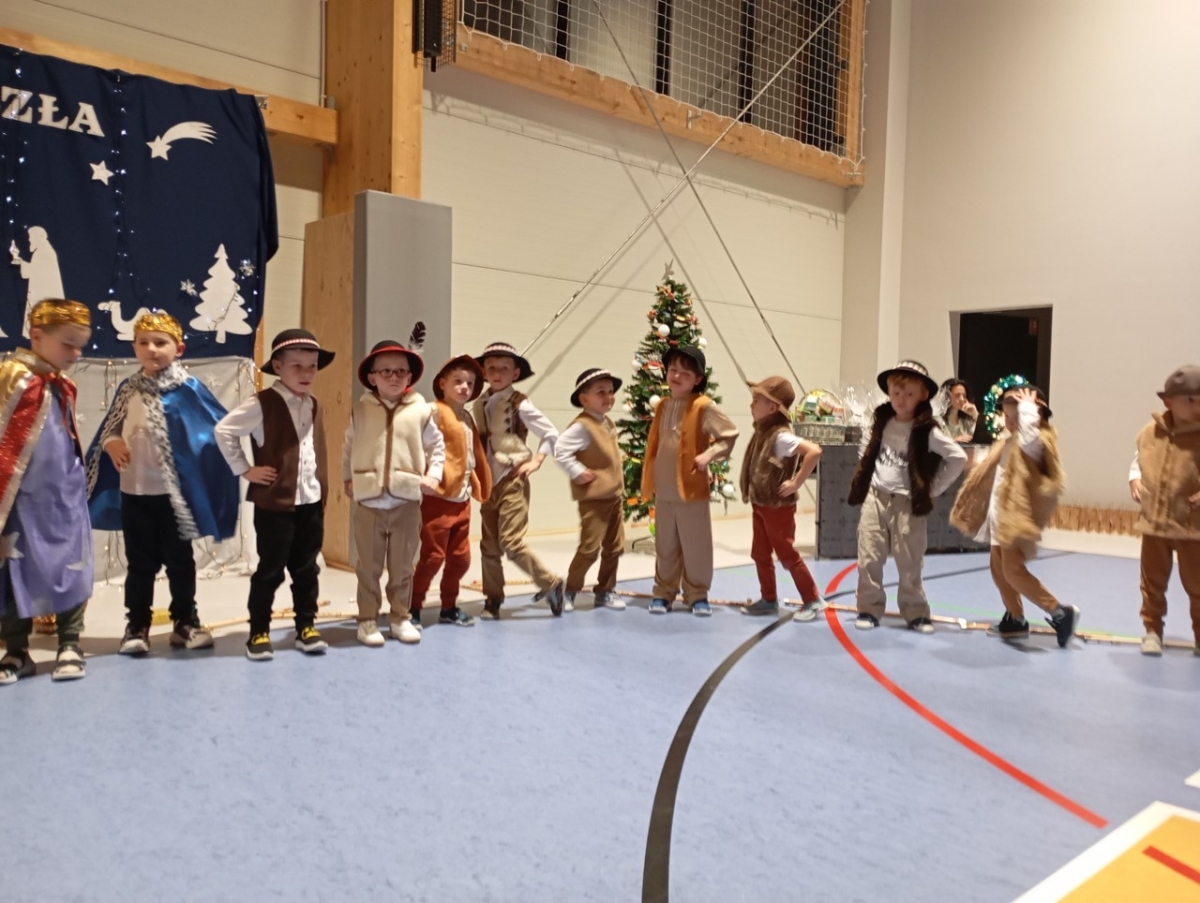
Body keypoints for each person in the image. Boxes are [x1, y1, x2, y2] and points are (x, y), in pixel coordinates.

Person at [87, 312, 240, 655]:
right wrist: (112, 443)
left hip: (174, 497)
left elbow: (215, 428)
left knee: (180, 561)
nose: (151, 349)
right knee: (140, 564)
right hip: (136, 493)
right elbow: (110, 428)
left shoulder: (189, 389)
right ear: (134, 347)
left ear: (178, 348)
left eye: (160, 342)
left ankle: (185, 621)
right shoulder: (129, 389)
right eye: (143, 342)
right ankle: (136, 625)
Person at [215, 329, 334, 661]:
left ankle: (306, 626)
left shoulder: (313, 404)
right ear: (278, 367)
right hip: (275, 505)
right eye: (297, 366)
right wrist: (245, 469)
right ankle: (259, 631)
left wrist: (322, 487)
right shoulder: (262, 403)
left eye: (312, 366)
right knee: (270, 570)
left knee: (307, 569)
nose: (306, 373)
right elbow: (224, 430)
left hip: (310, 502)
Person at [0, 299, 93, 683]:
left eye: (81, 346)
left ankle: (70, 643)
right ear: (36, 335)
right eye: (68, 344)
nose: (76, 354)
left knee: (71, 567)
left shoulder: (62, 384)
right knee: (13, 572)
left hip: (64, 497)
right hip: (20, 501)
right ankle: (16, 651)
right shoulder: (12, 377)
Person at [950, 376, 1078, 647]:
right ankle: (1016, 618)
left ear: (1036, 416)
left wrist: (1028, 408)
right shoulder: (1010, 443)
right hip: (1001, 519)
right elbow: (995, 467)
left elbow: (1030, 436)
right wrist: (974, 464)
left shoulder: (1036, 443)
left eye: (1017, 417)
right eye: (1007, 417)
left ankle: (1059, 611)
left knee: (1013, 571)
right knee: (999, 570)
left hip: (1015, 519)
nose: (1010, 423)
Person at [848, 361, 967, 633]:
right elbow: (866, 448)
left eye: (909, 393)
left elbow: (957, 458)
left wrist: (931, 488)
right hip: (876, 497)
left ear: (923, 395)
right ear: (888, 392)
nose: (901, 399)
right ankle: (868, 608)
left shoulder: (927, 430)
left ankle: (916, 612)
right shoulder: (880, 422)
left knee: (910, 560)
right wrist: (868, 476)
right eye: (896, 392)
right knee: (869, 555)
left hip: (907, 503)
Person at [343, 337, 444, 647]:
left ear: (410, 376)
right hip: (369, 500)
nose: (393, 377)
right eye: (385, 371)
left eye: (401, 371)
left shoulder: (421, 411)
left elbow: (437, 447)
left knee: (402, 566)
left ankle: (400, 616)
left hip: (406, 500)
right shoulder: (361, 410)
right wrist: (347, 478)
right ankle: (367, 619)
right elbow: (348, 446)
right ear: (372, 377)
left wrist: (433, 475)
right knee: (368, 567)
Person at [641, 346, 738, 616]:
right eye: (673, 370)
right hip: (664, 490)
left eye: (685, 373)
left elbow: (729, 435)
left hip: (690, 489)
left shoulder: (703, 406)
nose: (677, 376)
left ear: (697, 379)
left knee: (696, 546)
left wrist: (709, 455)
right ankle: (663, 592)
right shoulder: (663, 405)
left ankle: (697, 594)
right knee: (665, 546)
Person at [473, 342, 564, 619]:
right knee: (489, 547)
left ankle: (551, 582)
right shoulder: (479, 402)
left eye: (504, 368)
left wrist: (537, 460)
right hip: (488, 483)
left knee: (511, 542)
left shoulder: (519, 403)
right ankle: (493, 599)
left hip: (512, 479)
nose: (496, 373)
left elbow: (551, 433)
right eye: (491, 368)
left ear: (514, 373)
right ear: (484, 372)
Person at [411, 355, 492, 628]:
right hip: (438, 499)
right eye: (457, 381)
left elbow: (472, 454)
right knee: (433, 557)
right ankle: (412, 606)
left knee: (461, 558)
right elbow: (416, 441)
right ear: (443, 383)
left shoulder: (466, 416)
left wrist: (478, 481)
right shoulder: (433, 411)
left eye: (469, 383)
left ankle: (448, 606)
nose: (464, 387)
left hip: (462, 499)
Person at [737, 376, 826, 622]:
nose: (751, 405)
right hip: (761, 504)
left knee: (787, 554)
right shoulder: (763, 432)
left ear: (773, 408)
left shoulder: (780, 436)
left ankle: (813, 599)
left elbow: (814, 451)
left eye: (757, 401)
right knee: (760, 553)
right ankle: (768, 598)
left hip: (777, 508)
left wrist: (796, 482)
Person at [1128, 365, 1200, 656]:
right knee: (1152, 583)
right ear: (1168, 401)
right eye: (1190, 400)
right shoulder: (1150, 433)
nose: (1197, 407)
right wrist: (1134, 480)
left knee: (1197, 586)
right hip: (1154, 525)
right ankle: (1152, 630)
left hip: (1192, 527)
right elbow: (1138, 461)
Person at [553, 368, 627, 612]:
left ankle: (605, 590)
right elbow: (560, 450)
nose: (608, 397)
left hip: (614, 497)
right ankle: (570, 590)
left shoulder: (607, 422)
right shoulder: (582, 426)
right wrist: (577, 471)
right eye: (600, 392)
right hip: (595, 499)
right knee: (590, 547)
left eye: (610, 391)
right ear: (584, 399)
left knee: (615, 547)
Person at [940, 378, 978, 443]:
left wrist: (975, 415)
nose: (962, 399)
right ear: (947, 397)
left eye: (964, 396)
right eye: (957, 396)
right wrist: (954, 441)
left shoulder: (966, 422)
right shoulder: (938, 421)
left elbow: (984, 436)